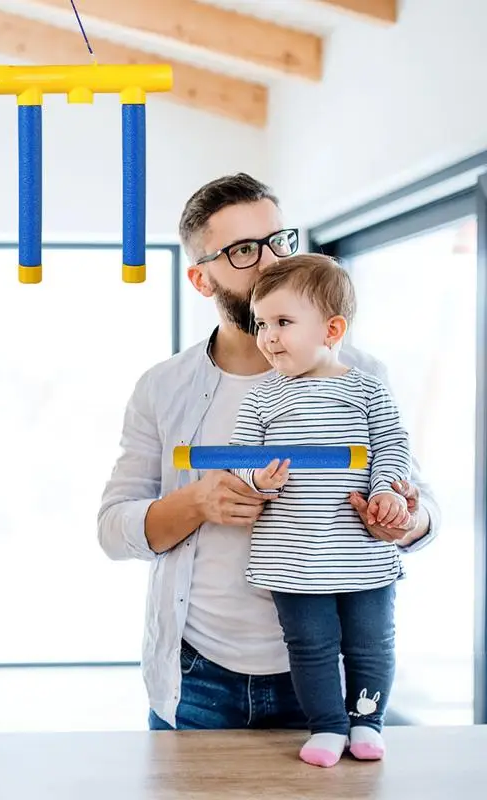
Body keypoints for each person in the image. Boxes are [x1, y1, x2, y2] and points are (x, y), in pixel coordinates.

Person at [97, 173, 440, 734]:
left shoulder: (362, 375)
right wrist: (197, 503)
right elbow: (112, 529)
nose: (272, 262)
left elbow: (423, 510)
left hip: (330, 675)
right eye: (242, 251)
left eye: (280, 240)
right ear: (201, 279)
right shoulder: (162, 388)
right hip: (197, 679)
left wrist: (402, 516)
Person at [227, 253, 409, 767]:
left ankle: (367, 722)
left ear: (331, 329)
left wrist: (389, 492)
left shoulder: (367, 388)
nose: (268, 336)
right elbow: (242, 459)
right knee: (310, 646)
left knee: (371, 645)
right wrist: (257, 479)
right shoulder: (262, 399)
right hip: (291, 557)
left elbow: (392, 446)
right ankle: (328, 726)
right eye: (261, 324)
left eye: (283, 323)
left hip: (362, 552)